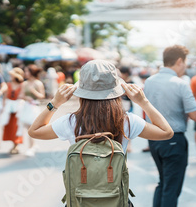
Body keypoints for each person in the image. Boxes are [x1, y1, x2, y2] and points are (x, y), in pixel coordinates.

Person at [27, 58, 173, 160]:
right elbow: (166, 133)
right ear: (115, 92)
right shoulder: (126, 121)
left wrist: (55, 103)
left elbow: (34, 131)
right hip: (115, 197)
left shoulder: (71, 121)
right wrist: (144, 102)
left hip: (81, 199)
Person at [144, 45, 196, 207]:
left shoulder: (149, 81)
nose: (185, 67)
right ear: (179, 61)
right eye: (185, 62)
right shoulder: (180, 84)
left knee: (163, 182)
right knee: (171, 187)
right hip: (174, 139)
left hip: (154, 140)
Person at [18, 65, 45, 157]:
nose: (25, 73)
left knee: (31, 127)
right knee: (27, 127)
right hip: (26, 107)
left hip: (34, 107)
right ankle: (33, 145)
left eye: (27, 71)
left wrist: (34, 92)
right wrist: (26, 97)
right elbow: (20, 95)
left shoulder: (38, 83)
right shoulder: (24, 83)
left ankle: (31, 147)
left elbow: (42, 96)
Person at [2, 68, 24, 154]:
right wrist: (3, 107)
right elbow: (5, 96)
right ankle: (13, 144)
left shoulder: (22, 85)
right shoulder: (8, 84)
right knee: (9, 127)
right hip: (9, 109)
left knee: (17, 127)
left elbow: (22, 95)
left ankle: (16, 145)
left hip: (18, 109)